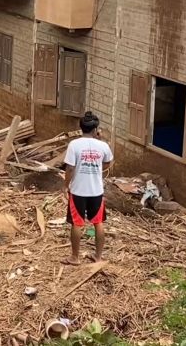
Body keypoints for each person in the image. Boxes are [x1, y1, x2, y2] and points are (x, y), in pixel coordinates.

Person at [64, 111, 113, 264]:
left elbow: (70, 168)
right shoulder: (103, 146)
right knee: (98, 223)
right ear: (95, 129)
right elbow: (108, 162)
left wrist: (65, 185)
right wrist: (97, 166)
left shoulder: (74, 145)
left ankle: (75, 257)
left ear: (81, 128)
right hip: (96, 191)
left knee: (77, 223)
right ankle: (98, 256)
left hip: (78, 190)